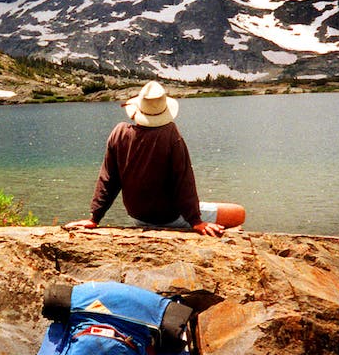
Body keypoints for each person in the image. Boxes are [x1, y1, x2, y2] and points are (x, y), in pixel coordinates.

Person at [65, 80, 245, 237]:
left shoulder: (118, 133)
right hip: (168, 217)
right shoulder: (170, 134)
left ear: (137, 110)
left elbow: (108, 180)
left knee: (212, 209)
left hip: (137, 217)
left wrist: (94, 218)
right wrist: (196, 221)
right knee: (239, 214)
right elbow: (184, 181)